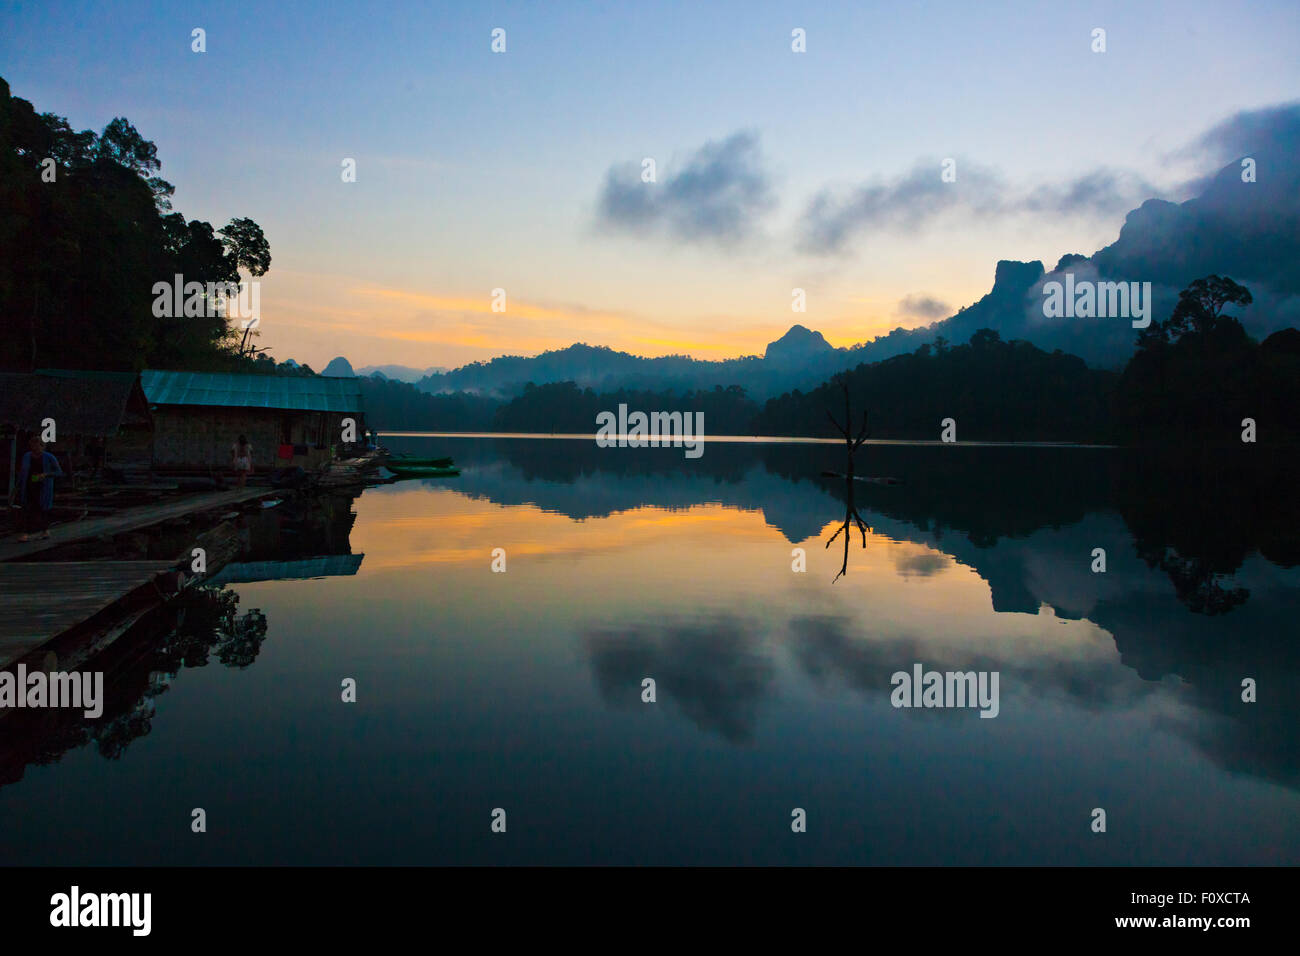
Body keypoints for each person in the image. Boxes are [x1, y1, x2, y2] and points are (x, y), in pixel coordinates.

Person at [14, 436, 63, 542]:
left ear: (42, 446)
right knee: (27, 509)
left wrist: (46, 475)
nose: (34, 448)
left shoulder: (49, 457)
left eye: (37, 446)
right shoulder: (27, 456)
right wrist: (18, 486)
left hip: (43, 487)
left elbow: (59, 472)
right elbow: (23, 472)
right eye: (32, 446)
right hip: (29, 485)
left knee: (42, 509)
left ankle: (44, 531)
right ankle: (25, 533)